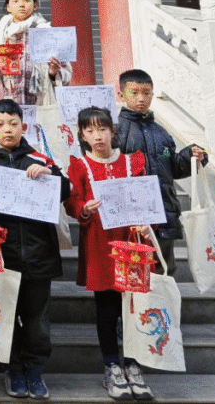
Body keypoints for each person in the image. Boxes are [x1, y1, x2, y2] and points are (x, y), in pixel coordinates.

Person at [0, 99, 70, 400]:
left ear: (24, 127)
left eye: (13, 124)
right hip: (3, 255)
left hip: (40, 254)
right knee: (5, 315)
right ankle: (13, 369)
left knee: (37, 318)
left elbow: (67, 189)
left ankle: (35, 369)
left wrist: (48, 174)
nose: (8, 129)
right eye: (0, 125)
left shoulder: (39, 159)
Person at [63, 107, 153, 401]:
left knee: (134, 305)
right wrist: (84, 210)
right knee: (106, 306)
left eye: (102, 129)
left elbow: (146, 199)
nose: (97, 136)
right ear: (82, 136)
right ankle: (112, 366)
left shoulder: (132, 162)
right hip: (100, 243)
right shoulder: (80, 166)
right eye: (89, 131)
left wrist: (147, 222)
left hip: (131, 239)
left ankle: (134, 365)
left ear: (113, 131)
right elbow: (72, 204)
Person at [116, 68, 207, 277]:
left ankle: (162, 300)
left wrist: (190, 157)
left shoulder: (161, 132)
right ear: (121, 94)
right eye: (134, 93)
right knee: (132, 270)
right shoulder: (115, 131)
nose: (141, 98)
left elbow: (172, 166)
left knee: (163, 268)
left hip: (163, 208)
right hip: (131, 212)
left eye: (146, 93)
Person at [0, 0, 71, 106]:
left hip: (40, 101)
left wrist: (53, 73)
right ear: (8, 7)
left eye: (26, 0)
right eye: (15, 1)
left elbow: (66, 72)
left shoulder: (48, 34)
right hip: (6, 101)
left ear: (35, 5)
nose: (21, 5)